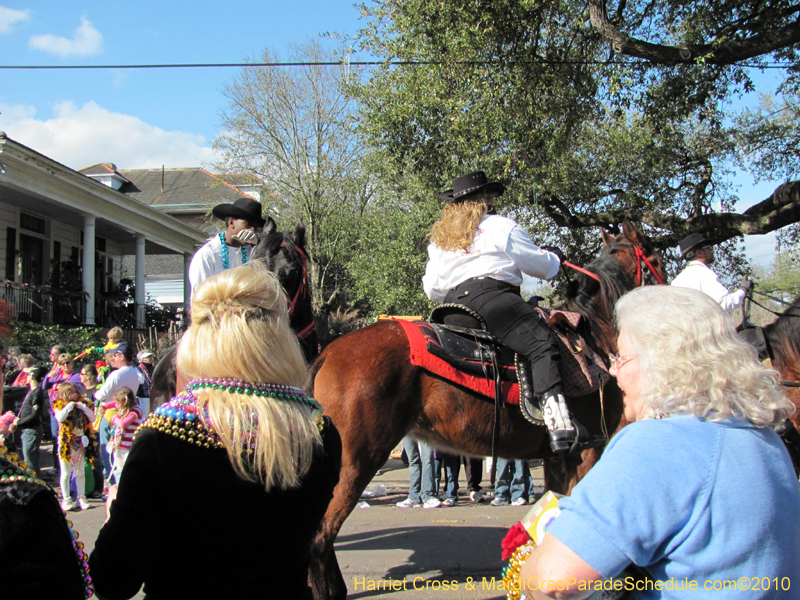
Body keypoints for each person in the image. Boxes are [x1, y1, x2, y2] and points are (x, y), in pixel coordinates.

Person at [519, 286, 800, 599]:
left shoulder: (657, 444)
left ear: (663, 362)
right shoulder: (767, 441)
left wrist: (525, 571)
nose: (612, 371)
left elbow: (553, 581)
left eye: (621, 358)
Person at [89, 262, 342, 600]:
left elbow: (111, 581)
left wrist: (118, 511)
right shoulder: (319, 434)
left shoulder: (163, 438)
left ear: (198, 339)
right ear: (278, 338)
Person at [422, 170, 582, 454]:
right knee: (542, 343)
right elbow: (538, 266)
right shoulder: (500, 226)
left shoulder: (441, 241)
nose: (495, 200)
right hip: (493, 300)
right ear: (484, 199)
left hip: (449, 308)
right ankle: (560, 426)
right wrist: (555, 258)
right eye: (492, 195)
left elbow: (432, 289)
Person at [187, 197, 265, 297]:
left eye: (256, 227)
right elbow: (202, 300)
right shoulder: (208, 256)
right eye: (249, 224)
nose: (252, 229)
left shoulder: (255, 253)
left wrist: (260, 246)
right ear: (231, 222)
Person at [671, 233, 751, 311]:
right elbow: (723, 304)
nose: (711, 250)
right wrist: (743, 290)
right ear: (699, 253)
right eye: (708, 247)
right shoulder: (704, 274)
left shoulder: (676, 282)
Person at [53, 382, 98, 511]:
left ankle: (81, 497)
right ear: (64, 395)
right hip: (66, 444)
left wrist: (83, 408)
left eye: (75, 392)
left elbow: (93, 418)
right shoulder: (59, 406)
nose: (74, 395)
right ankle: (66, 498)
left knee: (80, 472)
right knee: (66, 473)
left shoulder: (81, 405)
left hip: (80, 442)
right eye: (71, 393)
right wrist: (68, 407)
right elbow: (60, 418)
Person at [9, 366, 48, 476]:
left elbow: (34, 414)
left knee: (31, 463)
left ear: (31, 376)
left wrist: (19, 422)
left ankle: (36, 485)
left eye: (27, 375)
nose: (25, 377)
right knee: (28, 460)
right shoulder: (31, 392)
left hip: (32, 431)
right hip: (27, 430)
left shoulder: (37, 393)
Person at [99, 386, 141, 486]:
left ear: (125, 402)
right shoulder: (122, 407)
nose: (116, 405)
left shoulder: (135, 411)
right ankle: (119, 489)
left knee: (128, 470)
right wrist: (104, 407)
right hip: (119, 445)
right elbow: (113, 403)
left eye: (118, 403)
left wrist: (114, 418)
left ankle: (129, 489)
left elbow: (123, 424)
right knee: (119, 469)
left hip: (129, 446)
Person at [396, 436, 441, 508]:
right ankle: (413, 496)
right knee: (413, 460)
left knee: (428, 459)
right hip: (406, 429)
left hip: (423, 428)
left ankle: (428, 495)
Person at [95, 343, 141, 407]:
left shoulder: (116, 375)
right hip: (128, 410)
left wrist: (97, 393)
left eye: (115, 355)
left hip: (112, 412)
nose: (113, 358)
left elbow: (100, 396)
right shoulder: (135, 373)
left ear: (121, 357)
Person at [135, 349, 154, 418]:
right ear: (143, 359)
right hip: (142, 397)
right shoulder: (137, 370)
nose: (151, 358)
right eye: (148, 357)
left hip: (152, 396)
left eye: (151, 357)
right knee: (144, 417)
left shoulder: (152, 369)